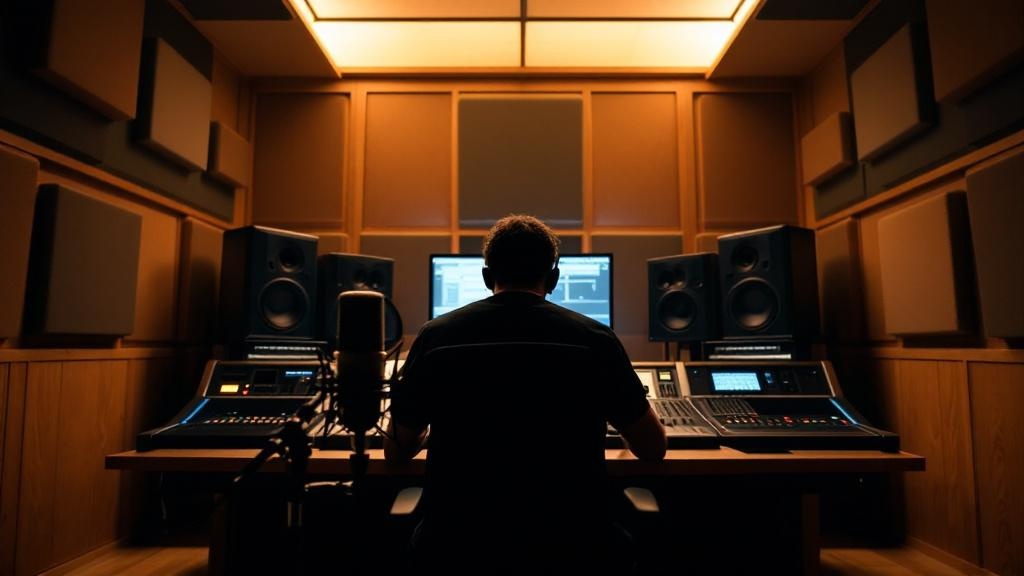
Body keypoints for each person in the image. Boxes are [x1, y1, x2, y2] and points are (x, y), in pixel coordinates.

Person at [385, 213, 667, 572]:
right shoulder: (596, 340)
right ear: (553, 279)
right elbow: (653, 448)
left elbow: (395, 452)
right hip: (574, 548)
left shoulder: (435, 337)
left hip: (457, 547)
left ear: (487, 278)